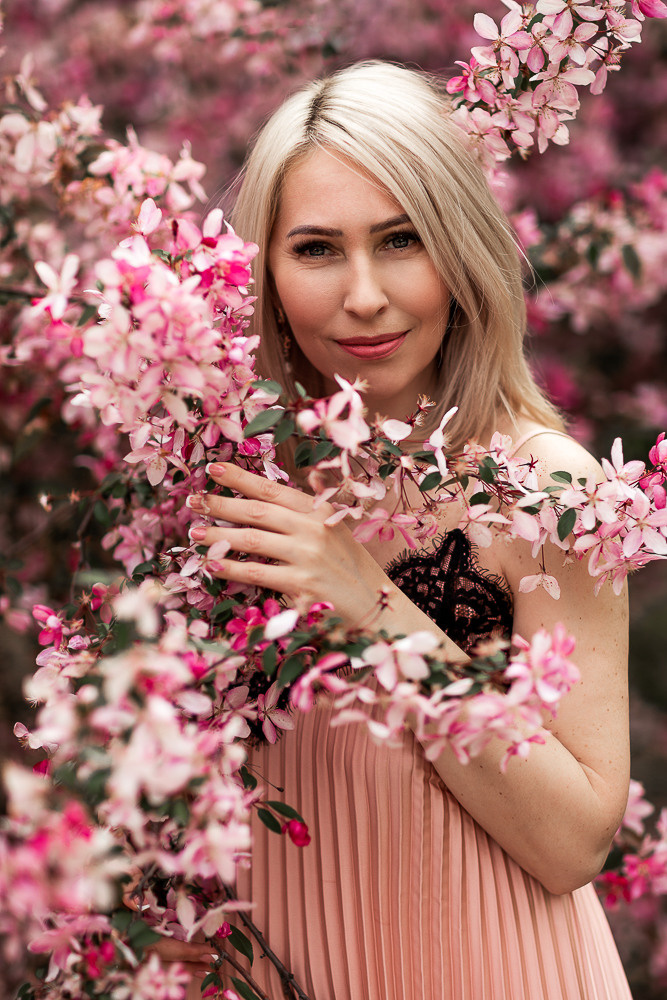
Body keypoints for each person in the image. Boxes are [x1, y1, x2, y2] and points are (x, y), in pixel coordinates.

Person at [175, 61, 631, 998]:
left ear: (458, 251)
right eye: (315, 249)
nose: (366, 295)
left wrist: (373, 608)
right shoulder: (217, 475)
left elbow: (577, 842)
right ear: (259, 266)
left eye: (400, 239)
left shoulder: (546, 488)